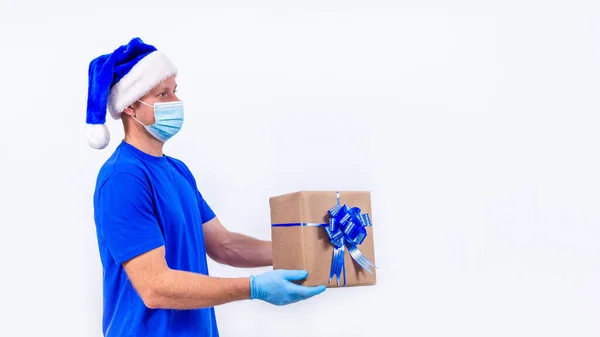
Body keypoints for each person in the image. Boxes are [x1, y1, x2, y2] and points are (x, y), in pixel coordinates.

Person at [85, 37, 326, 337]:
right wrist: (254, 289)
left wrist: (303, 249)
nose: (175, 103)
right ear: (131, 107)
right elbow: (154, 287)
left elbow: (224, 245)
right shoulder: (124, 178)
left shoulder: (177, 171)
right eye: (163, 94)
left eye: (175, 91)